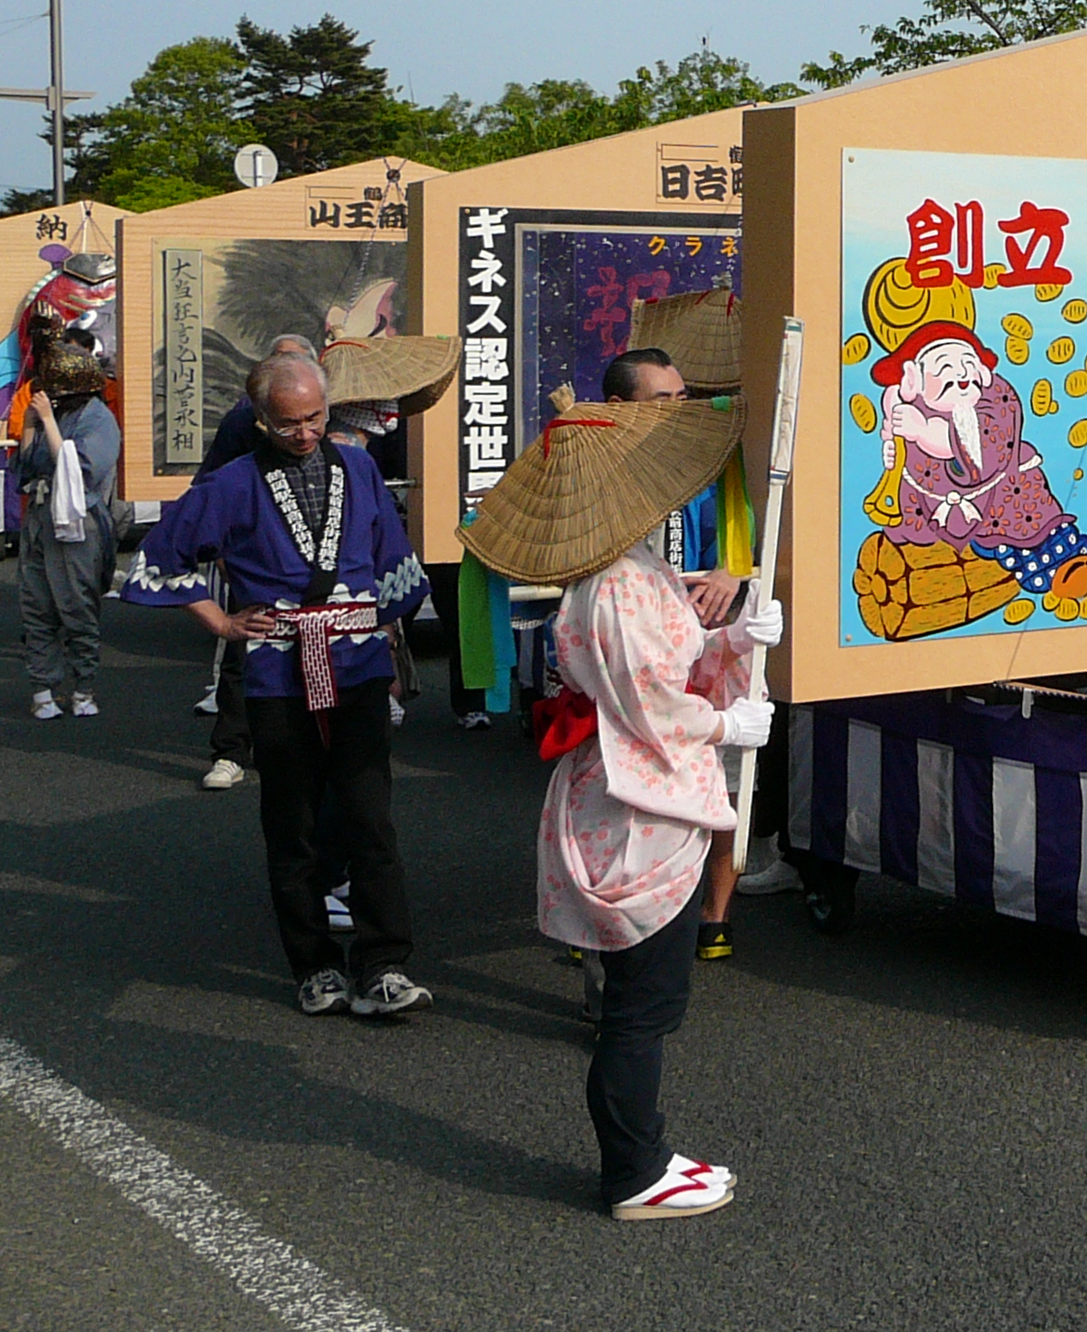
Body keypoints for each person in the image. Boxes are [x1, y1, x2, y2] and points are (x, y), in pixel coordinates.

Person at [461, 393, 779, 1221]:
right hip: (637, 798)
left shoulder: (628, 567)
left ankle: (644, 1153)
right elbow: (649, 703)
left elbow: (669, 665)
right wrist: (724, 721)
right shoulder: (615, 586)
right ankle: (634, 1169)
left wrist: (734, 639)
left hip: (635, 786)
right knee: (641, 1006)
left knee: (644, 1000)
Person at [122, 354, 433, 1017]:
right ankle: (314, 966)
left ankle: (384, 963)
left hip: (356, 663)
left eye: (315, 417)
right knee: (292, 822)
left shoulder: (360, 468)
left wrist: (386, 632)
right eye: (288, 422)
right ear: (260, 418)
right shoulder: (233, 482)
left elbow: (393, 559)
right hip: (277, 668)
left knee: (370, 817)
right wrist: (222, 622)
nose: (304, 433)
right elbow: (159, 557)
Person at [600, 346, 755, 957]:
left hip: (709, 635)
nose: (677, 410)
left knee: (727, 778)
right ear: (620, 406)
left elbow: (742, 535)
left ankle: (714, 917)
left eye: (682, 398)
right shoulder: (591, 465)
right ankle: (607, 913)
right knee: (620, 780)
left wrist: (731, 570)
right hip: (628, 642)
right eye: (661, 400)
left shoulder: (710, 454)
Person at [196, 334, 321, 788]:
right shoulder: (241, 425)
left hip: (324, 574)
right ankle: (231, 750)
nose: (303, 431)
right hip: (258, 565)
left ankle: (316, 750)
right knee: (242, 651)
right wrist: (221, 559)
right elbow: (204, 494)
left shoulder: (333, 435)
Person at [16, 322, 120, 721]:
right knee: (36, 606)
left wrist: (49, 422)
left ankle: (83, 687)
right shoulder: (53, 413)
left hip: (77, 522)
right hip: (40, 516)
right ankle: (42, 688)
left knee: (77, 606)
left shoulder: (99, 419)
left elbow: (80, 469)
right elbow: (27, 467)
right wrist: (31, 424)